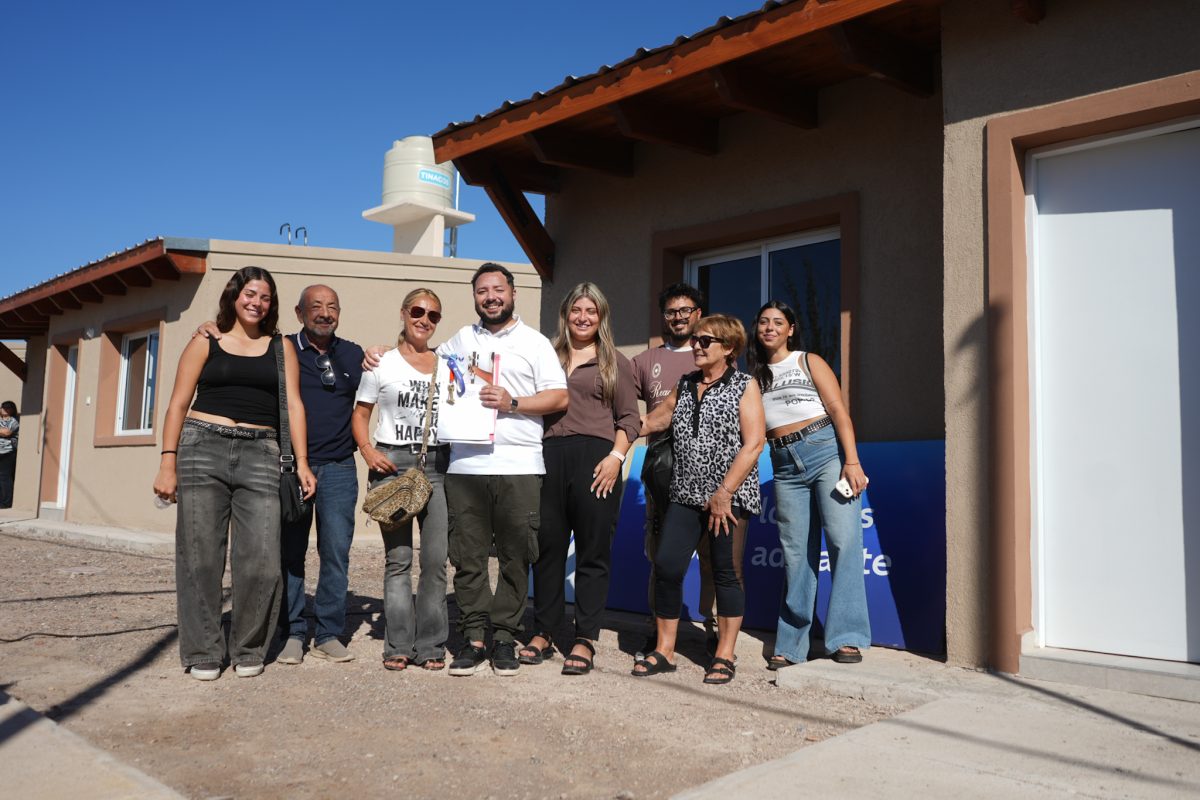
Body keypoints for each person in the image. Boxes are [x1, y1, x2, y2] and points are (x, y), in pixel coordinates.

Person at [154, 266, 316, 681]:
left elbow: (294, 405)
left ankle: (248, 646)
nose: (256, 302)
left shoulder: (280, 346)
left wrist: (301, 462)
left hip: (262, 452)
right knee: (200, 556)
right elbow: (177, 403)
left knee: (262, 560)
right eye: (250, 293)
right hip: (201, 447)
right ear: (234, 295)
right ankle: (203, 650)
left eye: (265, 296)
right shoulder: (206, 339)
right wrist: (167, 462)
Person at [200, 285, 365, 665]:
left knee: (336, 553)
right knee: (289, 553)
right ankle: (293, 632)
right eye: (316, 306)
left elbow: (387, 379)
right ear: (299, 312)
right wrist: (210, 328)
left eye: (332, 307)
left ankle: (328, 633)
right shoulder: (282, 348)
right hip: (288, 466)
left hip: (340, 467)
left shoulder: (352, 354)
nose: (325, 313)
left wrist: (385, 351)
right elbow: (241, 345)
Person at [437, 263, 568, 676]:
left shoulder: (535, 343)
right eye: (482, 291)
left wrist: (514, 403)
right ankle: (474, 638)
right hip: (466, 466)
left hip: (520, 465)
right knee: (468, 558)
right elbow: (428, 369)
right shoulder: (459, 340)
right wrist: (382, 353)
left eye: (497, 289)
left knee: (516, 557)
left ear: (513, 293)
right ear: (475, 297)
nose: (490, 297)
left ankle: (506, 637)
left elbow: (559, 397)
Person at [635, 314, 764, 684]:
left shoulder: (744, 384)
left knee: (726, 572)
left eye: (705, 340)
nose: (696, 345)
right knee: (667, 565)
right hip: (684, 493)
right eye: (695, 339)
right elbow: (656, 419)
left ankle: (724, 654)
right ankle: (665, 650)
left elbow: (754, 443)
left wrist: (724, 493)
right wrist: (614, 430)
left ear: (729, 347)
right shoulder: (686, 383)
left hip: (728, 496)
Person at [520, 283, 639, 675]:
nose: (583, 317)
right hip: (548, 457)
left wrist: (616, 458)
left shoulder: (614, 361)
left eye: (591, 311)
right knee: (547, 549)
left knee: (592, 551)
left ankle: (585, 638)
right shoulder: (545, 355)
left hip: (597, 462)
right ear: (565, 314)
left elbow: (630, 419)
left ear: (600, 316)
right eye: (576, 310)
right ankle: (544, 631)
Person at [750, 301, 870, 668]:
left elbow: (837, 411)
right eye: (763, 322)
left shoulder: (808, 361)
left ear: (790, 330)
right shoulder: (754, 377)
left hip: (824, 452)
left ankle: (846, 638)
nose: (770, 327)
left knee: (843, 542)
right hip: (784, 464)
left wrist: (852, 460)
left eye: (778, 322)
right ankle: (792, 645)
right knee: (796, 554)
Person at [352, 288, 451, 671]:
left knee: (435, 561)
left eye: (433, 315)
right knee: (398, 560)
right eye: (418, 311)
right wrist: (367, 450)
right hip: (392, 463)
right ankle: (397, 645)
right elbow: (361, 414)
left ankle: (431, 645)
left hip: (437, 465)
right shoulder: (381, 363)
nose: (424, 319)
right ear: (404, 313)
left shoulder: (447, 364)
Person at [631, 283, 729, 656]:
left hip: (709, 474)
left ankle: (713, 629)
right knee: (661, 556)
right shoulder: (645, 360)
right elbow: (625, 406)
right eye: (671, 311)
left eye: (685, 310)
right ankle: (658, 629)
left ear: (698, 313)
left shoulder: (714, 354)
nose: (678, 317)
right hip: (661, 472)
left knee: (712, 556)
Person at [0, 401, 18, 509]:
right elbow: (3, 432)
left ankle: (6, 503)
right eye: (3, 407)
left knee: (5, 477)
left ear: (12, 409)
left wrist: (3, 431)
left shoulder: (14, 421)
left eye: (8, 408)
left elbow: (7, 432)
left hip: (7, 452)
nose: (4, 409)